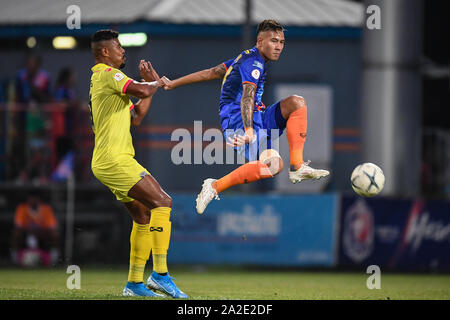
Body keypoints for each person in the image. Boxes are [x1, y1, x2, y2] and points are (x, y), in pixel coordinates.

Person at [161, 20, 330, 214]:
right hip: (238, 121)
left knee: (296, 103)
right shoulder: (254, 62)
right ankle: (214, 186)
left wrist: (173, 83)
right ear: (260, 41)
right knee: (274, 165)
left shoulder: (245, 57)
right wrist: (249, 131)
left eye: (281, 42)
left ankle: (298, 167)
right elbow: (247, 97)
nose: (278, 47)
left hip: (257, 116)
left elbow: (211, 72)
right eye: (273, 41)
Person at [89, 29, 187, 298]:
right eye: (118, 46)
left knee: (142, 217)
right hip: (115, 160)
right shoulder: (107, 74)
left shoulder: (106, 83)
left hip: (108, 161)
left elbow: (137, 116)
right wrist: (154, 83)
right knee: (163, 202)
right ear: (105, 52)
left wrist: (149, 87)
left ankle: (134, 284)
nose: (123, 51)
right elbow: (142, 89)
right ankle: (160, 274)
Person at [11, 191, 59, 267]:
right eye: (31, 198)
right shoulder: (22, 208)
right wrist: (30, 230)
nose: (32, 200)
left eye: (34, 198)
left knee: (54, 233)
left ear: (38, 199)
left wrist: (39, 230)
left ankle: (53, 256)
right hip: (26, 234)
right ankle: (15, 256)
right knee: (16, 233)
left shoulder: (46, 209)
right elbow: (18, 225)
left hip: (42, 235)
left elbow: (52, 226)